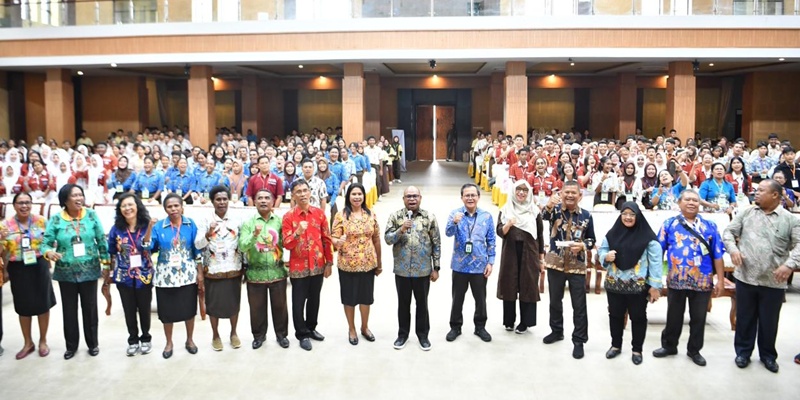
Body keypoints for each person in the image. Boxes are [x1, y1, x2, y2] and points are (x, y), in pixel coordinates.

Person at [723, 179, 800, 373]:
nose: (756, 193)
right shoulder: (747, 212)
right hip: (746, 277)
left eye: (761, 191)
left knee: (769, 321)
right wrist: (733, 250)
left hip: (773, 281)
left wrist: (789, 265)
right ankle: (743, 352)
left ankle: (768, 356)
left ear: (775, 195)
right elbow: (728, 233)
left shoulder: (790, 220)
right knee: (745, 318)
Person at [653, 189, 725, 367]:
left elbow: (717, 254)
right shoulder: (669, 224)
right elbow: (657, 251)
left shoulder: (710, 226)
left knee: (698, 318)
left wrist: (721, 280)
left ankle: (694, 350)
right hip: (676, 279)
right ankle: (669, 346)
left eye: (695, 200)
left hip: (702, 281)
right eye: (688, 199)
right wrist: (654, 279)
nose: (692, 203)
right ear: (679, 203)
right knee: (674, 316)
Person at [42, 184, 110, 360]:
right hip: (66, 272)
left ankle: (93, 344)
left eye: (81, 195)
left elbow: (102, 241)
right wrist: (48, 252)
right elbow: (46, 243)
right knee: (69, 311)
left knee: (90, 309)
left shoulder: (92, 215)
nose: (79, 198)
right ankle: (71, 346)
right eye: (75, 196)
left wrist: (106, 265)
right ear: (65, 199)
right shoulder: (57, 219)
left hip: (90, 270)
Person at [597, 202, 663, 365]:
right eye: (624, 213)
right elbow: (602, 250)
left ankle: (637, 349)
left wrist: (655, 286)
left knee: (638, 318)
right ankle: (615, 346)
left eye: (632, 214)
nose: (628, 217)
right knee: (615, 316)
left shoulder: (648, 237)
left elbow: (655, 262)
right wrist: (605, 256)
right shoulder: (612, 234)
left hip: (638, 287)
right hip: (615, 285)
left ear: (638, 216)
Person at [541, 180, 596, 359]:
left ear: (580, 196)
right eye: (567, 192)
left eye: (574, 193)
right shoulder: (555, 210)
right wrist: (548, 204)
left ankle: (579, 340)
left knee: (579, 305)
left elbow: (592, 240)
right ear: (562, 194)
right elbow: (542, 216)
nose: (570, 195)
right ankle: (557, 331)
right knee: (555, 301)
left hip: (577, 265)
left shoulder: (587, 215)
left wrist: (583, 246)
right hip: (555, 262)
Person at [0, 192, 56, 359]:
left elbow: (50, 243)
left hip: (39, 265)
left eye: (27, 202)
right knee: (23, 306)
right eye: (20, 203)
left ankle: (43, 341)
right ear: (14, 205)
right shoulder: (5, 225)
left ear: (32, 204)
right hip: (18, 268)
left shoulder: (42, 221)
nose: (24, 206)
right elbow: (2, 252)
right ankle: (27, 342)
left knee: (43, 304)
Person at [384, 186, 440, 351]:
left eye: (415, 196)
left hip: (423, 270)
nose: (412, 199)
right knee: (403, 304)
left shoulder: (429, 217)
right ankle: (402, 335)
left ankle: (423, 336)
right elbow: (388, 239)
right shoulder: (396, 216)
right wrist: (401, 229)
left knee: (422, 304)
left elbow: (436, 243)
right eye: (408, 196)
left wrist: (436, 267)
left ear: (420, 198)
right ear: (403, 199)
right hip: (402, 270)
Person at [147, 193, 202, 359]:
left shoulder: (190, 224)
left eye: (176, 206)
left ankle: (190, 340)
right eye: (169, 207)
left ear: (182, 207)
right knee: (167, 313)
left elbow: (196, 250)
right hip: (165, 277)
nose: (173, 209)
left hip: (187, 275)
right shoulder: (158, 227)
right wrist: (149, 227)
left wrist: (200, 272)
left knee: (189, 310)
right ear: (165, 209)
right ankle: (169, 342)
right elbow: (148, 247)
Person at [281, 180, 334, 351]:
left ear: (310, 192)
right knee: (298, 301)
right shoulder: (289, 217)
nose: (303, 194)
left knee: (314, 299)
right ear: (293, 195)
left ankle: (311, 328)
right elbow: (286, 244)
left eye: (305, 190)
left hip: (318, 265)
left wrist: (329, 262)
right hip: (298, 267)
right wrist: (297, 233)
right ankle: (301, 333)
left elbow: (326, 239)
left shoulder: (319, 214)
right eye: (298, 191)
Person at [331, 183, 382, 345]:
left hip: (368, 263)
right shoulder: (341, 215)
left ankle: (364, 327)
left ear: (364, 196)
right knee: (350, 298)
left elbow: (376, 239)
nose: (357, 197)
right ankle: (351, 329)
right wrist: (338, 241)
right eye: (354, 194)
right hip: (347, 264)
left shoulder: (371, 214)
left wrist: (379, 263)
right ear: (348, 196)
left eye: (360, 194)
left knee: (366, 298)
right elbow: (333, 237)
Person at [194, 186, 244, 352]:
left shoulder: (237, 220)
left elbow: (243, 245)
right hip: (213, 270)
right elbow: (198, 245)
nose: (222, 202)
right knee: (213, 305)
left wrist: (245, 266)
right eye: (218, 199)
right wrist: (208, 234)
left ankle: (233, 333)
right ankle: (215, 335)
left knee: (233, 303)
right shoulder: (205, 221)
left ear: (228, 200)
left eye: (224, 199)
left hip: (233, 269)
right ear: (212, 201)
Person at [239, 189, 290, 350]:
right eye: (259, 198)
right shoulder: (248, 223)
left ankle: (281, 335)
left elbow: (287, 242)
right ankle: (259, 336)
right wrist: (254, 235)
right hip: (255, 273)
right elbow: (242, 246)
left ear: (273, 200)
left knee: (280, 307)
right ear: (254, 201)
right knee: (256, 308)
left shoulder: (280, 221)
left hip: (277, 272)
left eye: (267, 198)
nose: (263, 201)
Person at [445, 183, 495, 343]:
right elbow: (447, 233)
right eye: (467, 195)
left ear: (478, 197)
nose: (470, 198)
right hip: (460, 265)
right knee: (457, 298)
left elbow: (491, 240)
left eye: (473, 195)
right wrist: (454, 222)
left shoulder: (486, 216)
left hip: (480, 266)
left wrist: (491, 261)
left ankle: (480, 327)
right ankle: (455, 327)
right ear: (462, 198)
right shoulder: (455, 214)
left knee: (480, 299)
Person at [106, 193, 155, 356]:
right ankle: (133, 340)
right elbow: (111, 251)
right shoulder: (116, 229)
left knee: (144, 308)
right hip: (124, 276)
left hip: (144, 274)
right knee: (128, 309)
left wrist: (149, 230)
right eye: (124, 206)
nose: (127, 208)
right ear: (120, 210)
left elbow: (151, 247)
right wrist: (108, 274)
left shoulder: (147, 225)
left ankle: (146, 338)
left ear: (137, 206)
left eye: (130, 205)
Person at [496, 180, 544, 334]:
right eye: (518, 190)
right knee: (509, 284)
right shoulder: (506, 209)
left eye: (525, 190)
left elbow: (540, 236)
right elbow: (499, 231)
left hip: (529, 253)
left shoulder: (534, 211)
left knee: (528, 285)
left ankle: (525, 322)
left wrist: (541, 259)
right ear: (513, 192)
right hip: (510, 252)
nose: (521, 193)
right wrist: (508, 225)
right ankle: (509, 321)